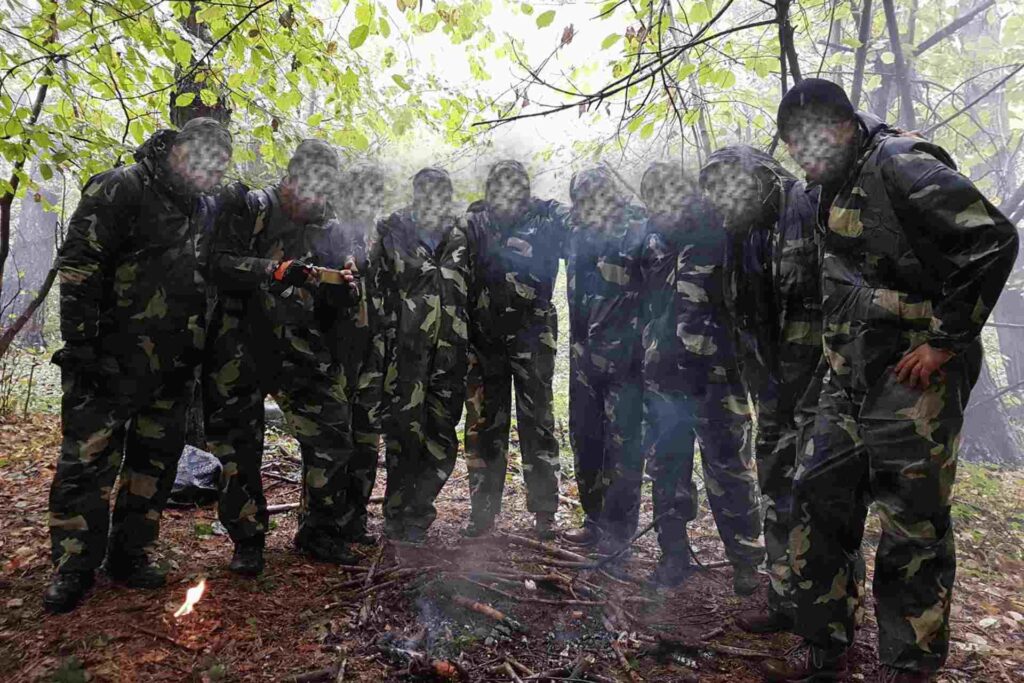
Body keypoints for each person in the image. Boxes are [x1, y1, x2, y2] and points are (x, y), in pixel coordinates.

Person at [765, 79, 1018, 682]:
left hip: (912, 381)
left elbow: (993, 240)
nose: (803, 154)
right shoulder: (828, 184)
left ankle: (909, 666)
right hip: (847, 377)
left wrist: (946, 341)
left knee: (912, 523)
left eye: (813, 139)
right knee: (817, 495)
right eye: (794, 145)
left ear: (847, 126)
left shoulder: (900, 163)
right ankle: (827, 648)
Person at [45, 118, 232, 613]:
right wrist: (81, 345)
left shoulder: (203, 207)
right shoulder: (122, 186)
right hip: (106, 360)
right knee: (86, 465)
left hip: (171, 366)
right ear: (178, 149)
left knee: (154, 464)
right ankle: (74, 566)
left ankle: (130, 555)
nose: (205, 172)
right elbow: (81, 263)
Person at [204, 139, 358, 575]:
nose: (315, 196)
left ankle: (319, 530)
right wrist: (271, 271)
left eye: (324, 187)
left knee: (331, 433)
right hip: (239, 345)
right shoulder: (253, 207)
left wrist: (345, 286)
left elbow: (337, 295)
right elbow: (217, 263)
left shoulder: (328, 228)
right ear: (290, 178)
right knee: (238, 446)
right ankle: (248, 539)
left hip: (301, 347)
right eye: (309, 184)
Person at [699, 147, 822, 621]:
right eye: (715, 189)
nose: (723, 197)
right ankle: (785, 599)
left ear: (761, 177)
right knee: (777, 487)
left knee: (821, 496)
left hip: (821, 388)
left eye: (731, 184)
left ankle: (823, 622)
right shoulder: (737, 235)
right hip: (771, 389)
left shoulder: (811, 206)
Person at [638, 161, 763, 593]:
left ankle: (746, 562)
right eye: (654, 195)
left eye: (670, 191)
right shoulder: (651, 240)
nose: (664, 202)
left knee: (729, 470)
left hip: (717, 378)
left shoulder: (720, 230)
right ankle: (673, 557)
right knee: (667, 470)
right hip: (664, 380)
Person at [462, 160, 569, 540]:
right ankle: (483, 513)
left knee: (537, 423)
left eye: (515, 185)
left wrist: (551, 206)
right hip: (484, 339)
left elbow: (581, 231)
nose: (507, 192)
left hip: (533, 336)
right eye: (499, 185)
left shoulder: (545, 222)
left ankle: (544, 514)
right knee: (483, 425)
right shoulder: (475, 223)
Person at [374, 168, 476, 543]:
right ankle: (396, 512)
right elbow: (376, 289)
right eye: (426, 192)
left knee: (441, 432)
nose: (433, 199)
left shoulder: (463, 236)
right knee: (403, 431)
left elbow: (476, 290)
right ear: (416, 195)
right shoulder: (392, 233)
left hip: (451, 354)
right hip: (406, 355)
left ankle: (420, 512)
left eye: (440, 192)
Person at [563, 167, 648, 555]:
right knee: (586, 442)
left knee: (624, 450)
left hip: (626, 364)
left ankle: (619, 535)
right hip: (584, 359)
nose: (592, 204)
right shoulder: (577, 231)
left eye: (598, 195)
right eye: (583, 198)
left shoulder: (639, 229)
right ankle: (594, 522)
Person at [305, 161, 389, 546]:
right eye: (361, 191)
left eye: (374, 191)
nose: (367, 200)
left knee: (366, 443)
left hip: (371, 358)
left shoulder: (381, 236)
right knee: (330, 445)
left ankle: (353, 521)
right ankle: (318, 529)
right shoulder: (329, 232)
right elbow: (312, 286)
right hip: (333, 355)